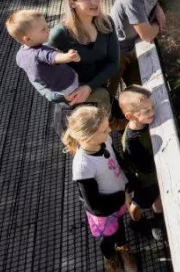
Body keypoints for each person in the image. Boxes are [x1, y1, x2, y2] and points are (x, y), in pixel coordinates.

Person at [44, 0, 123, 134]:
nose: (95, 1)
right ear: (73, 3)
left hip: (99, 95)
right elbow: (36, 69)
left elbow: (114, 62)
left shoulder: (106, 23)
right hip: (73, 107)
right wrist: (59, 97)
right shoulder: (60, 34)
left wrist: (89, 87)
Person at [63, 106, 137, 272]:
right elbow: (94, 205)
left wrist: (129, 181)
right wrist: (122, 196)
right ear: (86, 137)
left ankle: (123, 247)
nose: (109, 130)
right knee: (109, 236)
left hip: (119, 197)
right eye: (104, 130)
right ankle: (110, 257)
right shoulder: (83, 167)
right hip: (104, 210)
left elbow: (115, 159)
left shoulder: (104, 140)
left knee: (119, 224)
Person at [109, 0, 165, 97]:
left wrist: (157, 7)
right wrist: (158, 23)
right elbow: (147, 36)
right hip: (114, 52)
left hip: (133, 47)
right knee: (106, 99)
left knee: (141, 97)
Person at [118, 86, 164, 245]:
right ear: (130, 116)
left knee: (154, 201)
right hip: (144, 180)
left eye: (152, 107)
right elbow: (146, 167)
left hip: (148, 177)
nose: (152, 112)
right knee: (145, 203)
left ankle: (154, 220)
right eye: (146, 111)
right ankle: (138, 222)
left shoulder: (141, 124)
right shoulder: (133, 142)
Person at [6, 9, 82, 102]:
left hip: (53, 87)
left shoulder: (20, 55)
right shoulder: (41, 53)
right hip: (68, 84)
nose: (48, 30)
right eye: (43, 29)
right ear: (28, 38)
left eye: (46, 26)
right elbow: (54, 57)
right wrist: (69, 56)